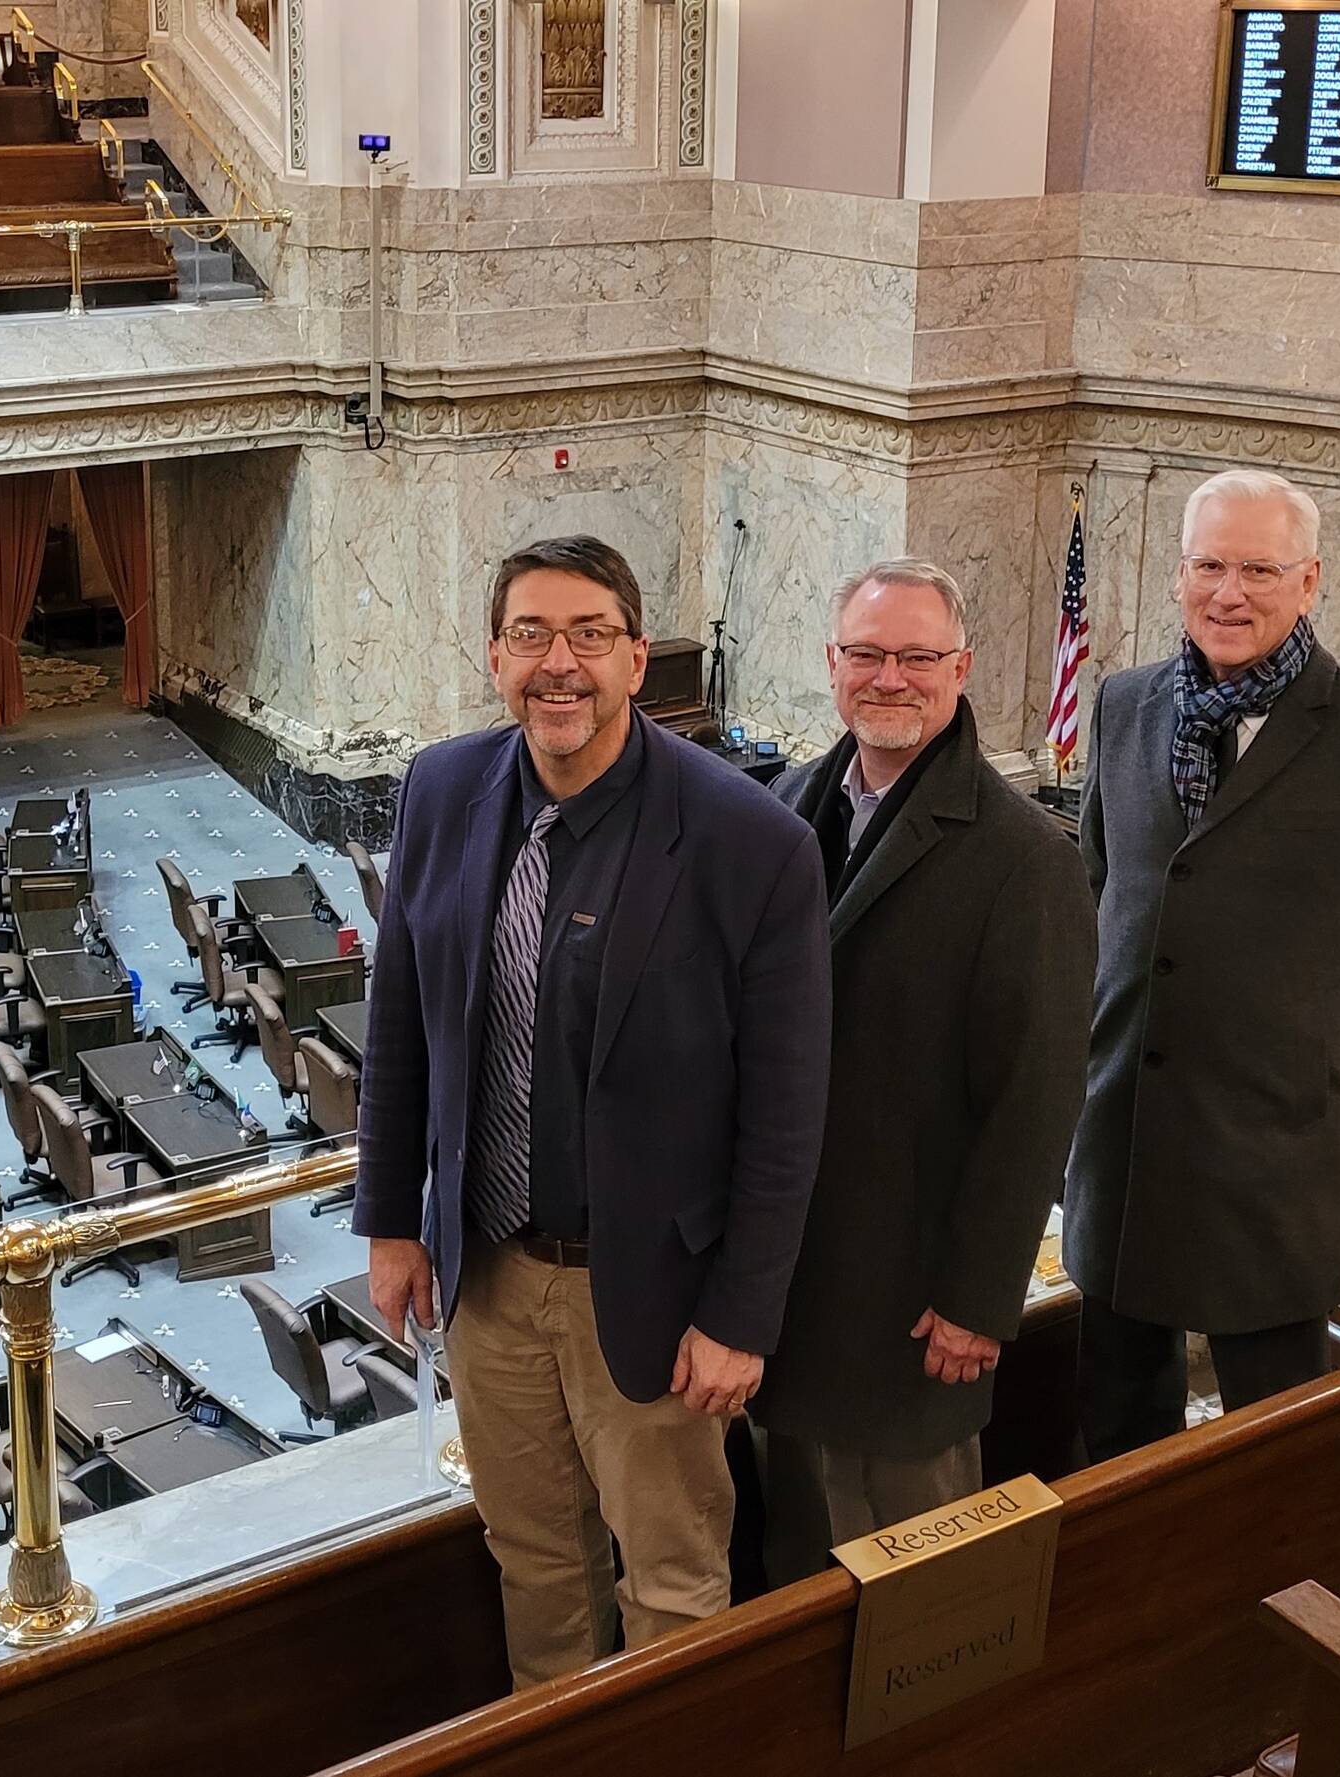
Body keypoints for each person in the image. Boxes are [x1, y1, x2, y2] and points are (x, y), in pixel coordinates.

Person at [352, 534, 832, 1687]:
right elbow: (402, 1016)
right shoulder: (441, 788)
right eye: (530, 636)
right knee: (534, 1565)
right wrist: (393, 1219)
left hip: (658, 1300)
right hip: (491, 1277)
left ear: (634, 657)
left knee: (668, 1584)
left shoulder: (750, 841)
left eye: (586, 636)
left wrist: (742, 1317)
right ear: (492, 656)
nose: (556, 664)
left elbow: (785, 1107)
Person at [1064, 468, 1340, 1462]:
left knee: (1273, 1443)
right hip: (1126, 1141)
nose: (1227, 591)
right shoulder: (1119, 705)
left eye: (1257, 568)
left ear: (1309, 581)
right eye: (1207, 564)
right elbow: (1099, 883)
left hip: (1273, 1155)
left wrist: (1321, 1041)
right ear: (1176, 576)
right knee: (1116, 1432)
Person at [751, 561, 1094, 1582]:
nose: (888, 677)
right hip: (788, 1283)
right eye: (866, 654)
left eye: (915, 656)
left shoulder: (1024, 857)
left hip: (913, 1301)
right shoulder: (782, 811)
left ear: (961, 669)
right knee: (794, 1554)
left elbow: (1036, 1096)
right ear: (831, 665)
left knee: (913, 1579)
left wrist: (979, 1298)